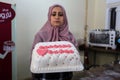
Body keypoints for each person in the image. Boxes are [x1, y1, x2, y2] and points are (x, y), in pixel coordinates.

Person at [31, 4, 78, 80]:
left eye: (60, 14)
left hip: (64, 76)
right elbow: (34, 58)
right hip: (44, 76)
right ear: (49, 17)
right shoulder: (40, 35)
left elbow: (74, 56)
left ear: (64, 18)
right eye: (53, 14)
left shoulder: (70, 36)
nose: (57, 17)